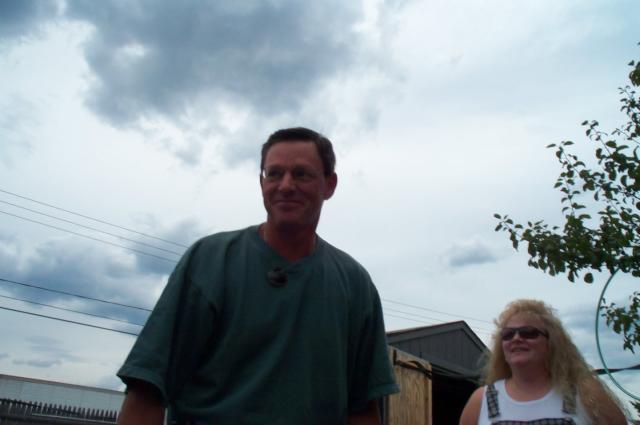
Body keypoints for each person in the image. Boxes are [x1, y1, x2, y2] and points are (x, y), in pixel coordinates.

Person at [116, 127, 399, 425]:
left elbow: (362, 409)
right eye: (274, 174)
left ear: (329, 185)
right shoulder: (209, 261)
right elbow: (147, 390)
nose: (285, 185)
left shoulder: (356, 284)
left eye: (301, 174)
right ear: (262, 183)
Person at [459, 299, 627, 425]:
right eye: (508, 334)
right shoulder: (481, 400)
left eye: (528, 332)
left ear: (551, 342)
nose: (516, 338)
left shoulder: (585, 393)